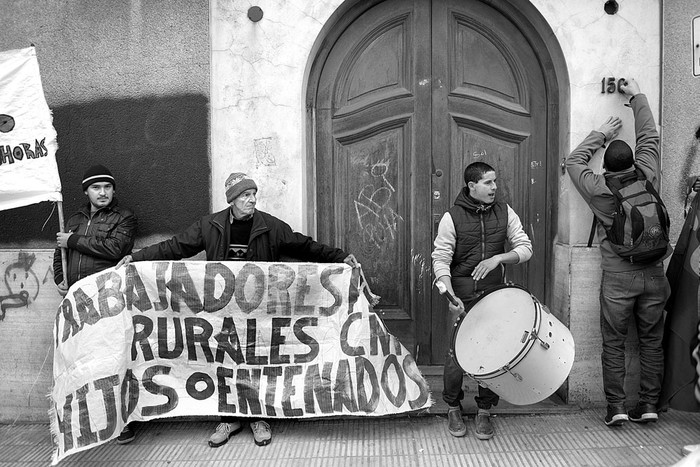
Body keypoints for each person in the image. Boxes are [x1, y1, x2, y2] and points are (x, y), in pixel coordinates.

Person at [116, 172, 358, 448]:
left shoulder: (270, 226)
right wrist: (136, 258)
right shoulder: (210, 226)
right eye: (245, 195)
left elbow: (305, 246)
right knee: (224, 363)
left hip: (260, 315)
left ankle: (259, 418)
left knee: (257, 362)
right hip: (222, 314)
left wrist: (339, 258)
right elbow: (175, 247)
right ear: (232, 200)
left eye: (253, 193)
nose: (252, 199)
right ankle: (228, 419)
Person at [566, 78, 671, 427]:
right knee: (651, 343)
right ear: (633, 163)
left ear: (606, 168)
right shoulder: (648, 174)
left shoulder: (599, 190)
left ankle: (616, 408)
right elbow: (649, 136)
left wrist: (601, 134)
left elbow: (573, 161)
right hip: (656, 274)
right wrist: (637, 94)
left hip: (618, 279)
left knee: (614, 343)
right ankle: (650, 404)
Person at [432, 161, 533, 440]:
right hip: (461, 297)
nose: (494, 187)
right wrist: (451, 296)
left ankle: (485, 409)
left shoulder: (505, 211)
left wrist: (499, 258)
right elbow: (440, 262)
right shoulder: (451, 218)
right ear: (471, 186)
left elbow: (525, 248)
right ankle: (452, 406)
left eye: (495, 182)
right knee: (456, 355)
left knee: (494, 352)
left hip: (494, 295)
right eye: (488, 183)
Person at [52, 164, 137, 292]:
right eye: (96, 188)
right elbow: (60, 254)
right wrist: (60, 279)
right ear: (86, 191)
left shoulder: (124, 217)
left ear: (113, 190)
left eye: (107, 187)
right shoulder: (75, 220)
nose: (103, 193)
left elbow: (116, 249)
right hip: (76, 293)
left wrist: (73, 240)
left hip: (108, 293)